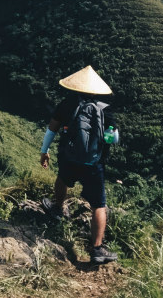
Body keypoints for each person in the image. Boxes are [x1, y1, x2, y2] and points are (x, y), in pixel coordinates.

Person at [39, 65, 118, 264]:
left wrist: (44, 151)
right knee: (99, 205)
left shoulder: (67, 104)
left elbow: (52, 129)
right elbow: (112, 139)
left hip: (69, 158)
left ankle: (57, 207)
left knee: (63, 179)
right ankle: (97, 248)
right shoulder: (105, 110)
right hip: (94, 163)